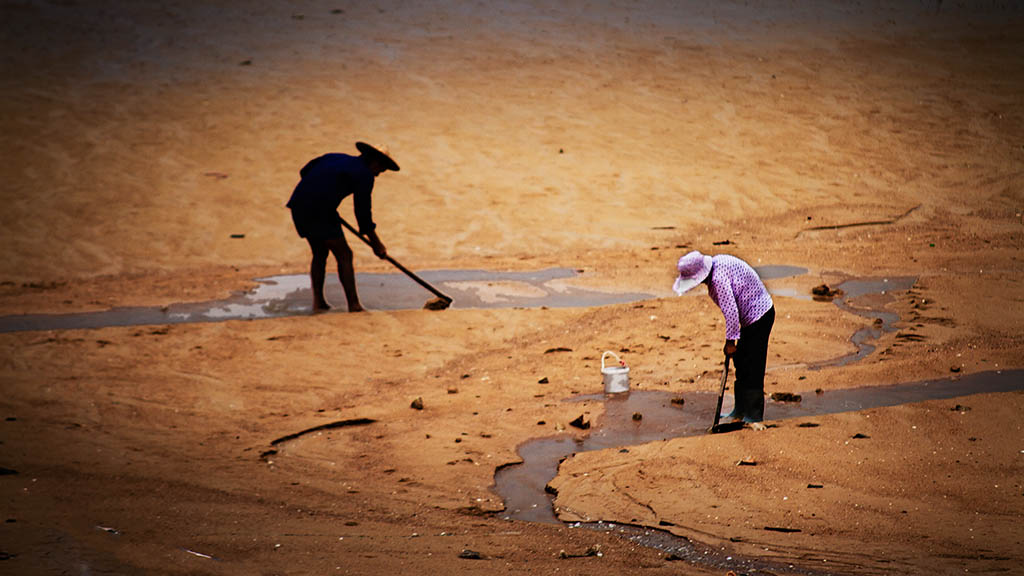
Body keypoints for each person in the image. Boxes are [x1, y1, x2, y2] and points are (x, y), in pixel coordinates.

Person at [286, 142, 399, 312]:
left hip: (299, 205)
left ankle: (319, 303)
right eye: (381, 170)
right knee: (345, 254)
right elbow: (363, 214)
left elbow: (305, 171)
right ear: (375, 162)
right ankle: (354, 305)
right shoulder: (365, 175)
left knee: (320, 252)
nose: (378, 175)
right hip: (320, 211)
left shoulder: (335, 157)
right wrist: (377, 244)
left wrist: (324, 196)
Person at [673, 250, 775, 424]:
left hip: (760, 315)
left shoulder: (717, 279)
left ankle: (754, 415)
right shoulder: (717, 265)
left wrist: (730, 342)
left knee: (753, 365)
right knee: (741, 361)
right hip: (749, 319)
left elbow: (731, 312)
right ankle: (739, 410)